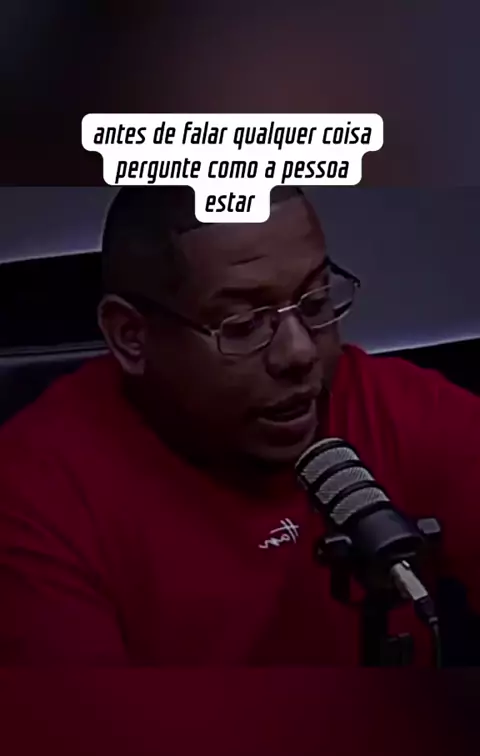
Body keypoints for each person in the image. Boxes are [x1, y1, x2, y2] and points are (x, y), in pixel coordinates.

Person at [0, 184, 479, 666]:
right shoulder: (36, 494)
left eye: (314, 303)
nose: (299, 353)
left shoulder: (395, 405)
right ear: (132, 336)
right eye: (243, 324)